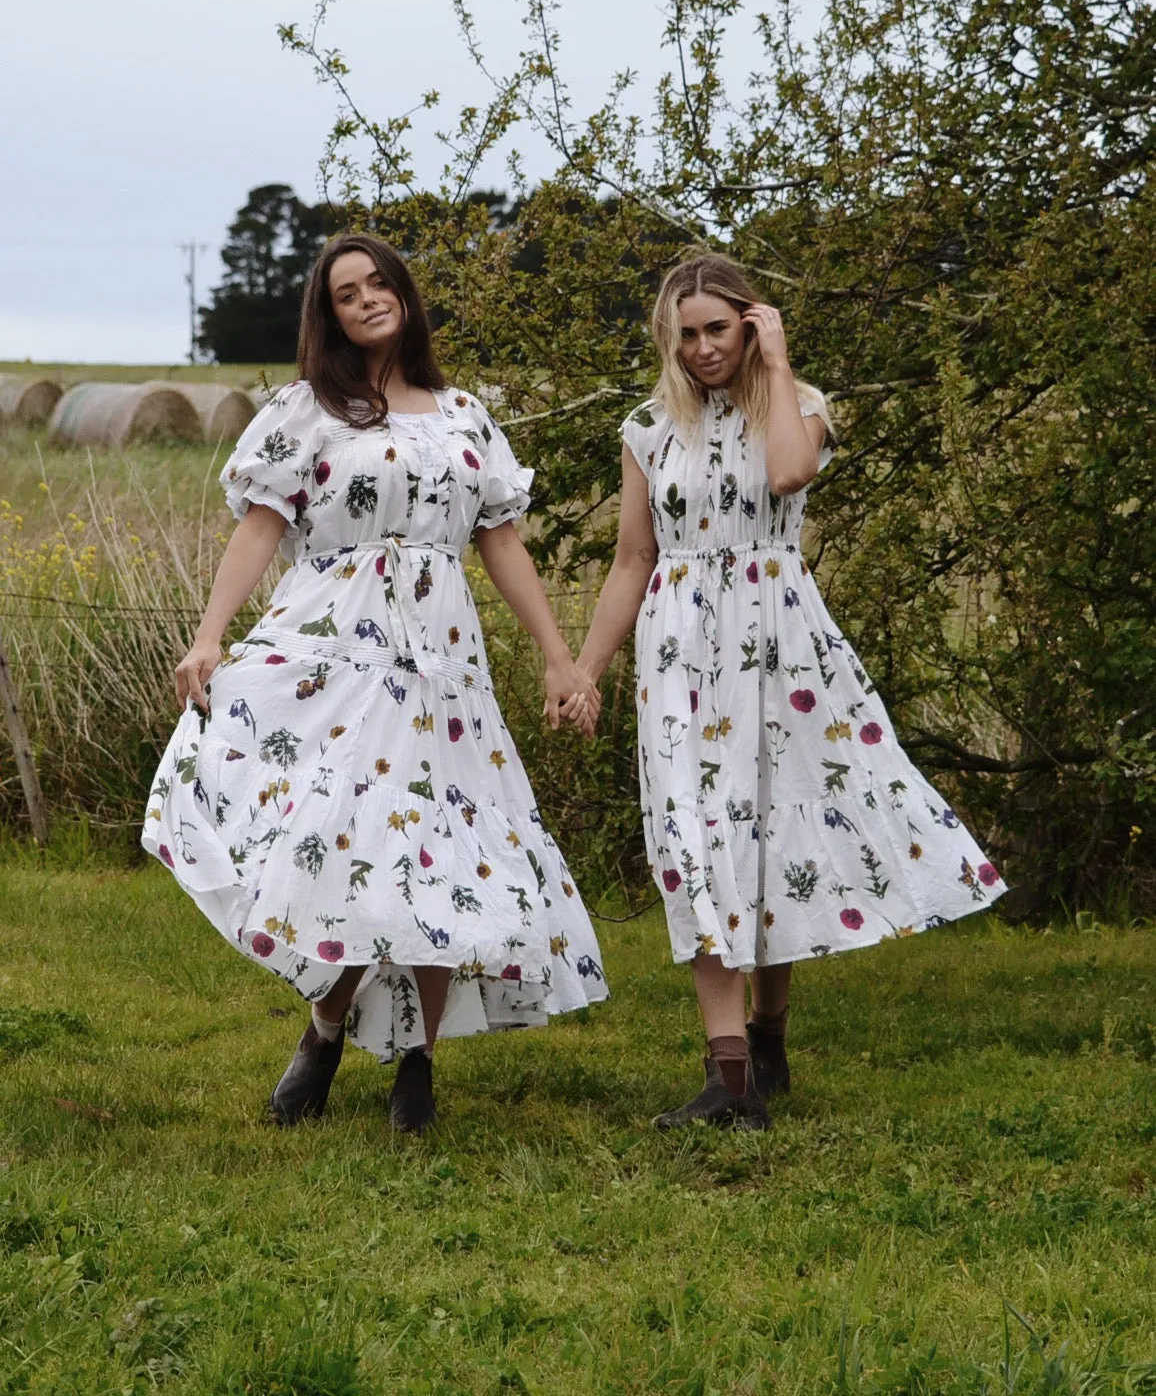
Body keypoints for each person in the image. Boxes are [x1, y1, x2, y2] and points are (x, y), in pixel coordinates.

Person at [143, 233, 608, 1134]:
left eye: (377, 283)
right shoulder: (307, 408)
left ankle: (417, 1065)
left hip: (440, 658)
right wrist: (210, 637)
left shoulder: (467, 414)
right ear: (331, 315)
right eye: (346, 293)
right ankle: (324, 1031)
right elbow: (260, 530)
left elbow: (500, 541)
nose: (365, 300)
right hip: (337, 645)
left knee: (435, 843)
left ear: (403, 293)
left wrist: (558, 654)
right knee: (345, 837)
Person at [574, 253, 1005, 1130]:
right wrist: (585, 668)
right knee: (694, 835)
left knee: (769, 837)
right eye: (686, 334)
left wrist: (775, 364)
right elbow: (631, 559)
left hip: (779, 647)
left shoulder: (797, 409)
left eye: (718, 329)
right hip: (681, 651)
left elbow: (786, 477)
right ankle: (729, 1075)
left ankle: (767, 1044)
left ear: (752, 323)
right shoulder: (649, 430)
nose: (701, 349)